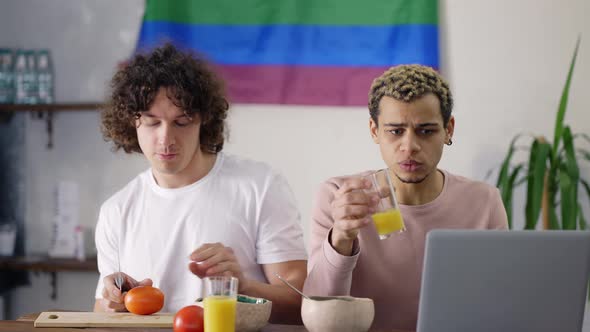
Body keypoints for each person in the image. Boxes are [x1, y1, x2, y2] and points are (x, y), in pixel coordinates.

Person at [93, 44, 307, 323]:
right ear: (132, 122)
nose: (166, 138)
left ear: (203, 120)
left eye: (181, 122)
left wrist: (241, 286)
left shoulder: (260, 186)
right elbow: (100, 313)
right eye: (152, 122)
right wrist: (115, 302)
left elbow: (299, 305)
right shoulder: (117, 210)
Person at [303, 64, 508, 330]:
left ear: (449, 130)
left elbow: (500, 304)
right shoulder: (338, 197)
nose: (409, 146)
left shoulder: (484, 202)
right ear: (374, 130)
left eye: (426, 131)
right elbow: (318, 318)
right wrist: (340, 239)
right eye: (396, 131)